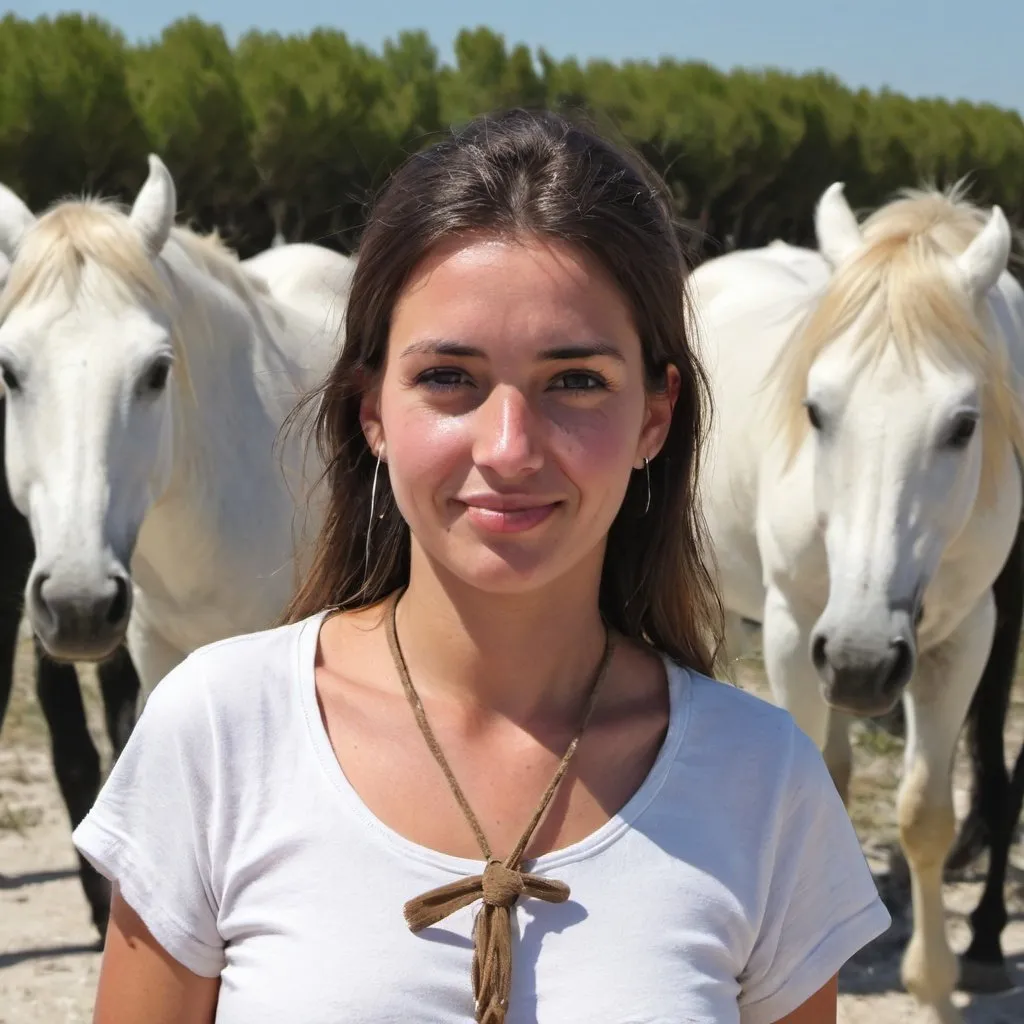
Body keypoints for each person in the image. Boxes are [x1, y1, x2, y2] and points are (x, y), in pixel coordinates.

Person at [72, 108, 890, 1024]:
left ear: (656, 416)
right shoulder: (219, 733)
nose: (508, 447)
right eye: (449, 379)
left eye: (575, 380)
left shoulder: (762, 781)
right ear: (371, 408)